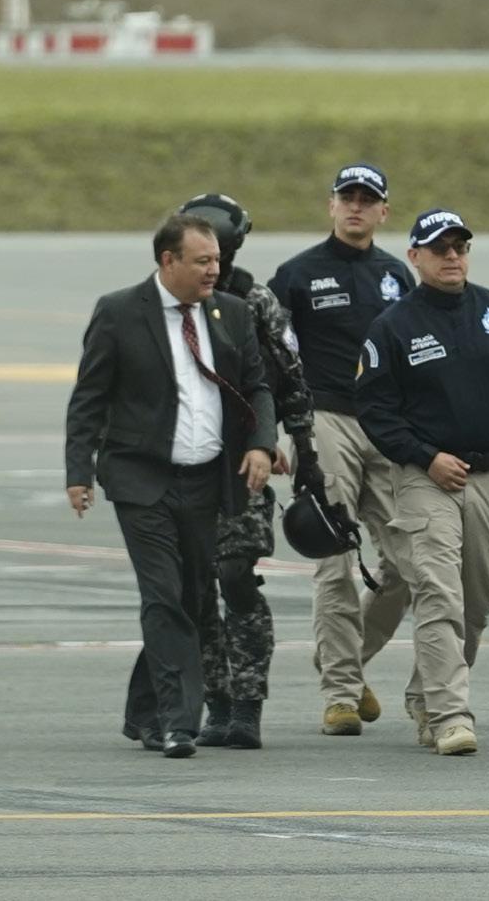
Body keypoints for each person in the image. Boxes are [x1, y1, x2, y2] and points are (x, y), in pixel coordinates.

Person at [356, 208, 489, 756]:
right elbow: (376, 412)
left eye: (459, 247)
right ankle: (451, 714)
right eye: (439, 248)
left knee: (476, 600)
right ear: (415, 257)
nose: (451, 256)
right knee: (438, 593)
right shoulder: (393, 327)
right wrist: (426, 457)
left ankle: (424, 695)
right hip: (426, 480)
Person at [66, 214, 277, 758]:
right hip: (141, 479)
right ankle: (177, 722)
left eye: (217, 260)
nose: (215, 270)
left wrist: (260, 443)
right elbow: (88, 398)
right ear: (168, 261)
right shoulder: (119, 312)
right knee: (163, 596)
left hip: (207, 481)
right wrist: (78, 472)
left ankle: (142, 713)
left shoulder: (230, 312)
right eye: (202, 261)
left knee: (189, 598)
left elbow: (257, 385)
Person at [268, 162, 415, 736]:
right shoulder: (296, 275)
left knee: (407, 563)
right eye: (346, 197)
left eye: (367, 199)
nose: (356, 206)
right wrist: (276, 432)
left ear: (384, 211)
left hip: (387, 425)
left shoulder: (397, 275)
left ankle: (343, 659)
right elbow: (271, 358)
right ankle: (340, 696)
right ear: (331, 205)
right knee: (334, 561)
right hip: (324, 419)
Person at [170, 193, 310, 751]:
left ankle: (248, 705)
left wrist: (301, 448)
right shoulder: (165, 302)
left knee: (235, 578)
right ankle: (217, 701)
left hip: (243, 460)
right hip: (185, 462)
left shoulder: (255, 301)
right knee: (197, 587)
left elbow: (289, 377)